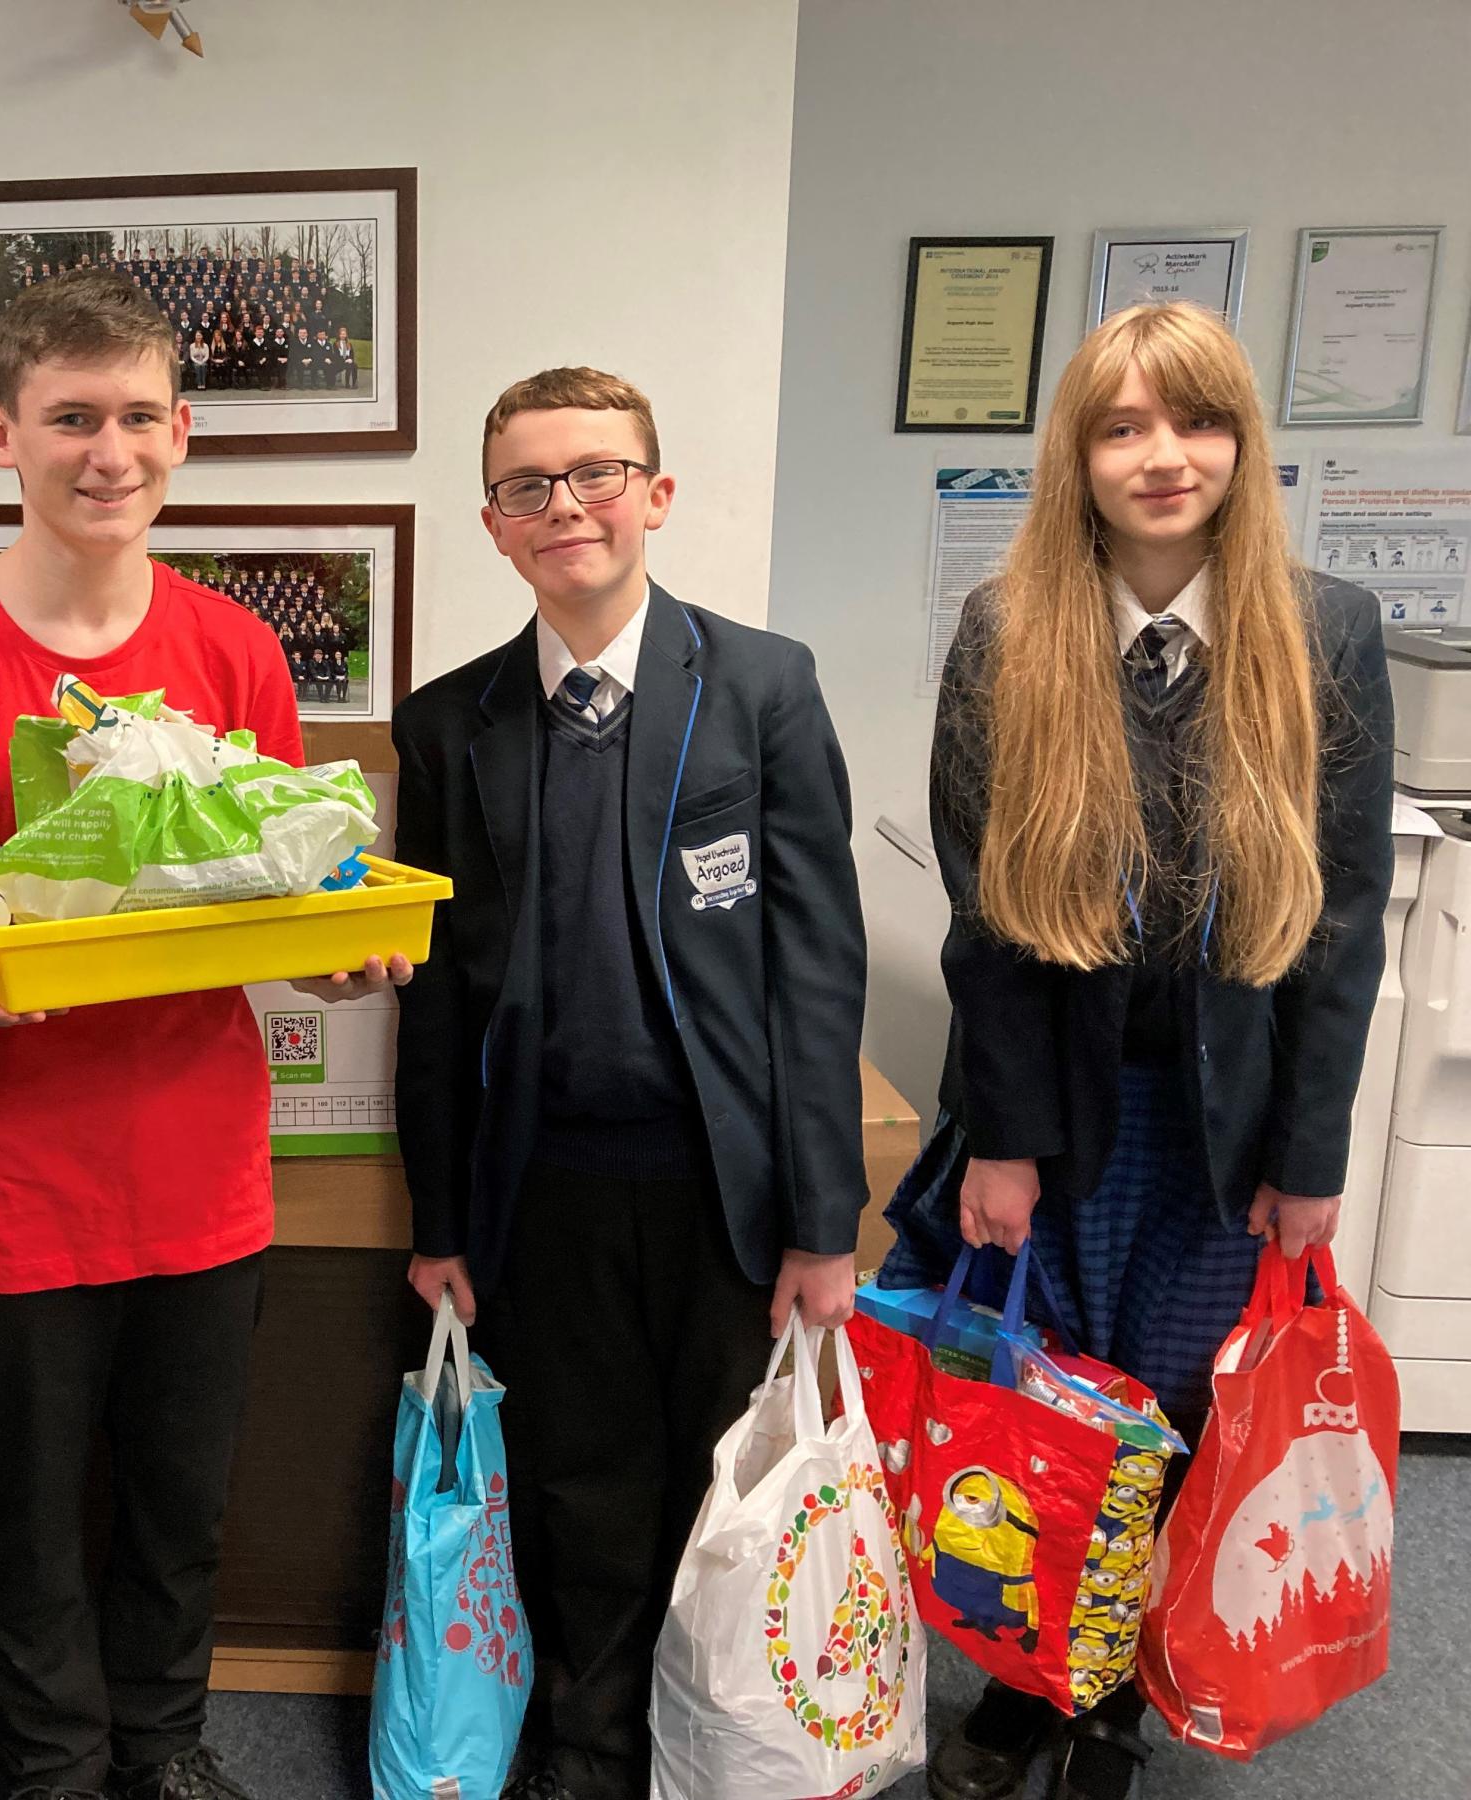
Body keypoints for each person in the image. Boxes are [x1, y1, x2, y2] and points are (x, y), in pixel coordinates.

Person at [0, 268, 405, 1800]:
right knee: (21, 1507)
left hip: (205, 1165)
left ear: (184, 430)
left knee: (177, 1497)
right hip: (14, 1169)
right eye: (71, 418)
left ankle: (163, 1745)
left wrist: (337, 965)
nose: (109, 452)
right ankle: (49, 1764)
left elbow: (296, 875)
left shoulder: (233, 655)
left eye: (139, 416)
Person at [883, 301, 1394, 1800]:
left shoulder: (1328, 631)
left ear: (1242, 441)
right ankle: (1032, 1681)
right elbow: (986, 920)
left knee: (1175, 1410)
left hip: (1227, 1121)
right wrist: (1005, 1141)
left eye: (1197, 422)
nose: (1163, 457)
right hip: (1061, 1108)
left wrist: (1309, 1159)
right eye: (1122, 426)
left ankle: (1119, 1691)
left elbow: (1342, 924)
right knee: (1050, 1399)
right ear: (1078, 455)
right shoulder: (1008, 631)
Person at [391, 366, 868, 1800]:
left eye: (598, 473)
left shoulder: (761, 685)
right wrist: (440, 1222)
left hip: (724, 1186)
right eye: (531, 485)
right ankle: (589, 1748)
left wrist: (826, 1221)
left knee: (721, 1488)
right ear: (493, 523)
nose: (568, 506)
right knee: (580, 1484)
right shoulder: (448, 723)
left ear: (656, 496)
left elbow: (816, 968)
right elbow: (440, 996)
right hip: (550, 1186)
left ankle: (714, 1748)